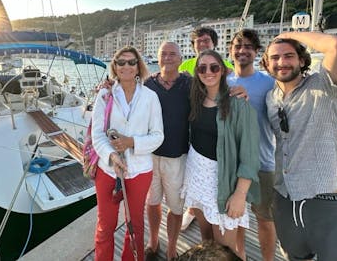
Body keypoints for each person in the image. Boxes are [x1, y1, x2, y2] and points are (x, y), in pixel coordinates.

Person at [261, 31, 337, 261]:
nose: (282, 62)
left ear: (302, 60)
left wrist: (286, 34)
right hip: (285, 198)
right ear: (266, 64)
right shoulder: (271, 98)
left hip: (327, 199)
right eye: (274, 58)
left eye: (289, 55)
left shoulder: (325, 86)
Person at [181, 49, 260, 260]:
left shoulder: (238, 103)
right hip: (197, 176)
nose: (208, 72)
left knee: (226, 251)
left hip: (223, 181)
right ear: (197, 72)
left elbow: (250, 155)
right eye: (202, 68)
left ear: (223, 71)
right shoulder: (195, 99)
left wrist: (240, 194)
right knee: (207, 243)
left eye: (214, 67)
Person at [92, 46, 164, 261]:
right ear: (114, 66)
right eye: (120, 62)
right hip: (107, 170)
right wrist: (112, 156)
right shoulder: (104, 95)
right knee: (106, 226)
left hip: (140, 171)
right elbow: (97, 133)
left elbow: (158, 136)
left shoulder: (151, 97)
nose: (126, 66)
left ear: (138, 66)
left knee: (135, 226)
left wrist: (131, 142)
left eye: (131, 62)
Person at [227, 29, 277, 261]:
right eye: (238, 46)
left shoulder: (269, 83)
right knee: (236, 216)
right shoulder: (223, 81)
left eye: (248, 46)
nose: (242, 50)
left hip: (262, 162)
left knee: (265, 218)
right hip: (231, 164)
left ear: (257, 52)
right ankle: (241, 255)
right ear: (231, 51)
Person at [179, 26, 233, 231]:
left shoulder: (226, 65)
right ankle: (193, 209)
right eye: (198, 41)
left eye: (206, 41)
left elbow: (231, 88)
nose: (202, 44)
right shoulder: (185, 65)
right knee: (194, 175)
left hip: (215, 123)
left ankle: (215, 215)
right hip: (192, 122)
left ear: (214, 43)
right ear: (193, 46)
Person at [143, 41, 192, 261]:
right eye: (164, 53)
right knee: (152, 202)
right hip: (150, 155)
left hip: (178, 156)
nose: (168, 57)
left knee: (176, 206)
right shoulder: (147, 84)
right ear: (158, 57)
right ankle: (153, 240)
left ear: (181, 59)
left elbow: (214, 91)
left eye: (173, 54)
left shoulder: (190, 84)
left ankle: (172, 247)